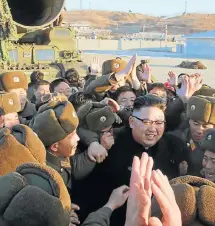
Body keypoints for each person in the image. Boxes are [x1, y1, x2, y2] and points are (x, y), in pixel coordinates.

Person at [78, 95, 186, 224]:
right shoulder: (109, 142)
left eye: (158, 123)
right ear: (131, 122)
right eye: (146, 122)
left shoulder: (174, 145)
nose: (152, 129)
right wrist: (93, 143)